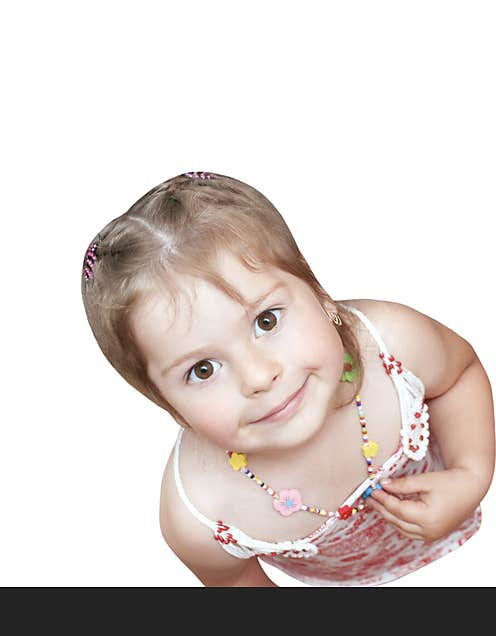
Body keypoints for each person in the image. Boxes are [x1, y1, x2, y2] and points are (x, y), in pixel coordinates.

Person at [80, 171, 495, 586]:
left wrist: (469, 475)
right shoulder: (201, 514)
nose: (259, 376)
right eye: (202, 370)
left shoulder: (392, 344)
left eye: (266, 320)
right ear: (167, 404)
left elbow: (459, 376)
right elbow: (235, 582)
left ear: (318, 293)